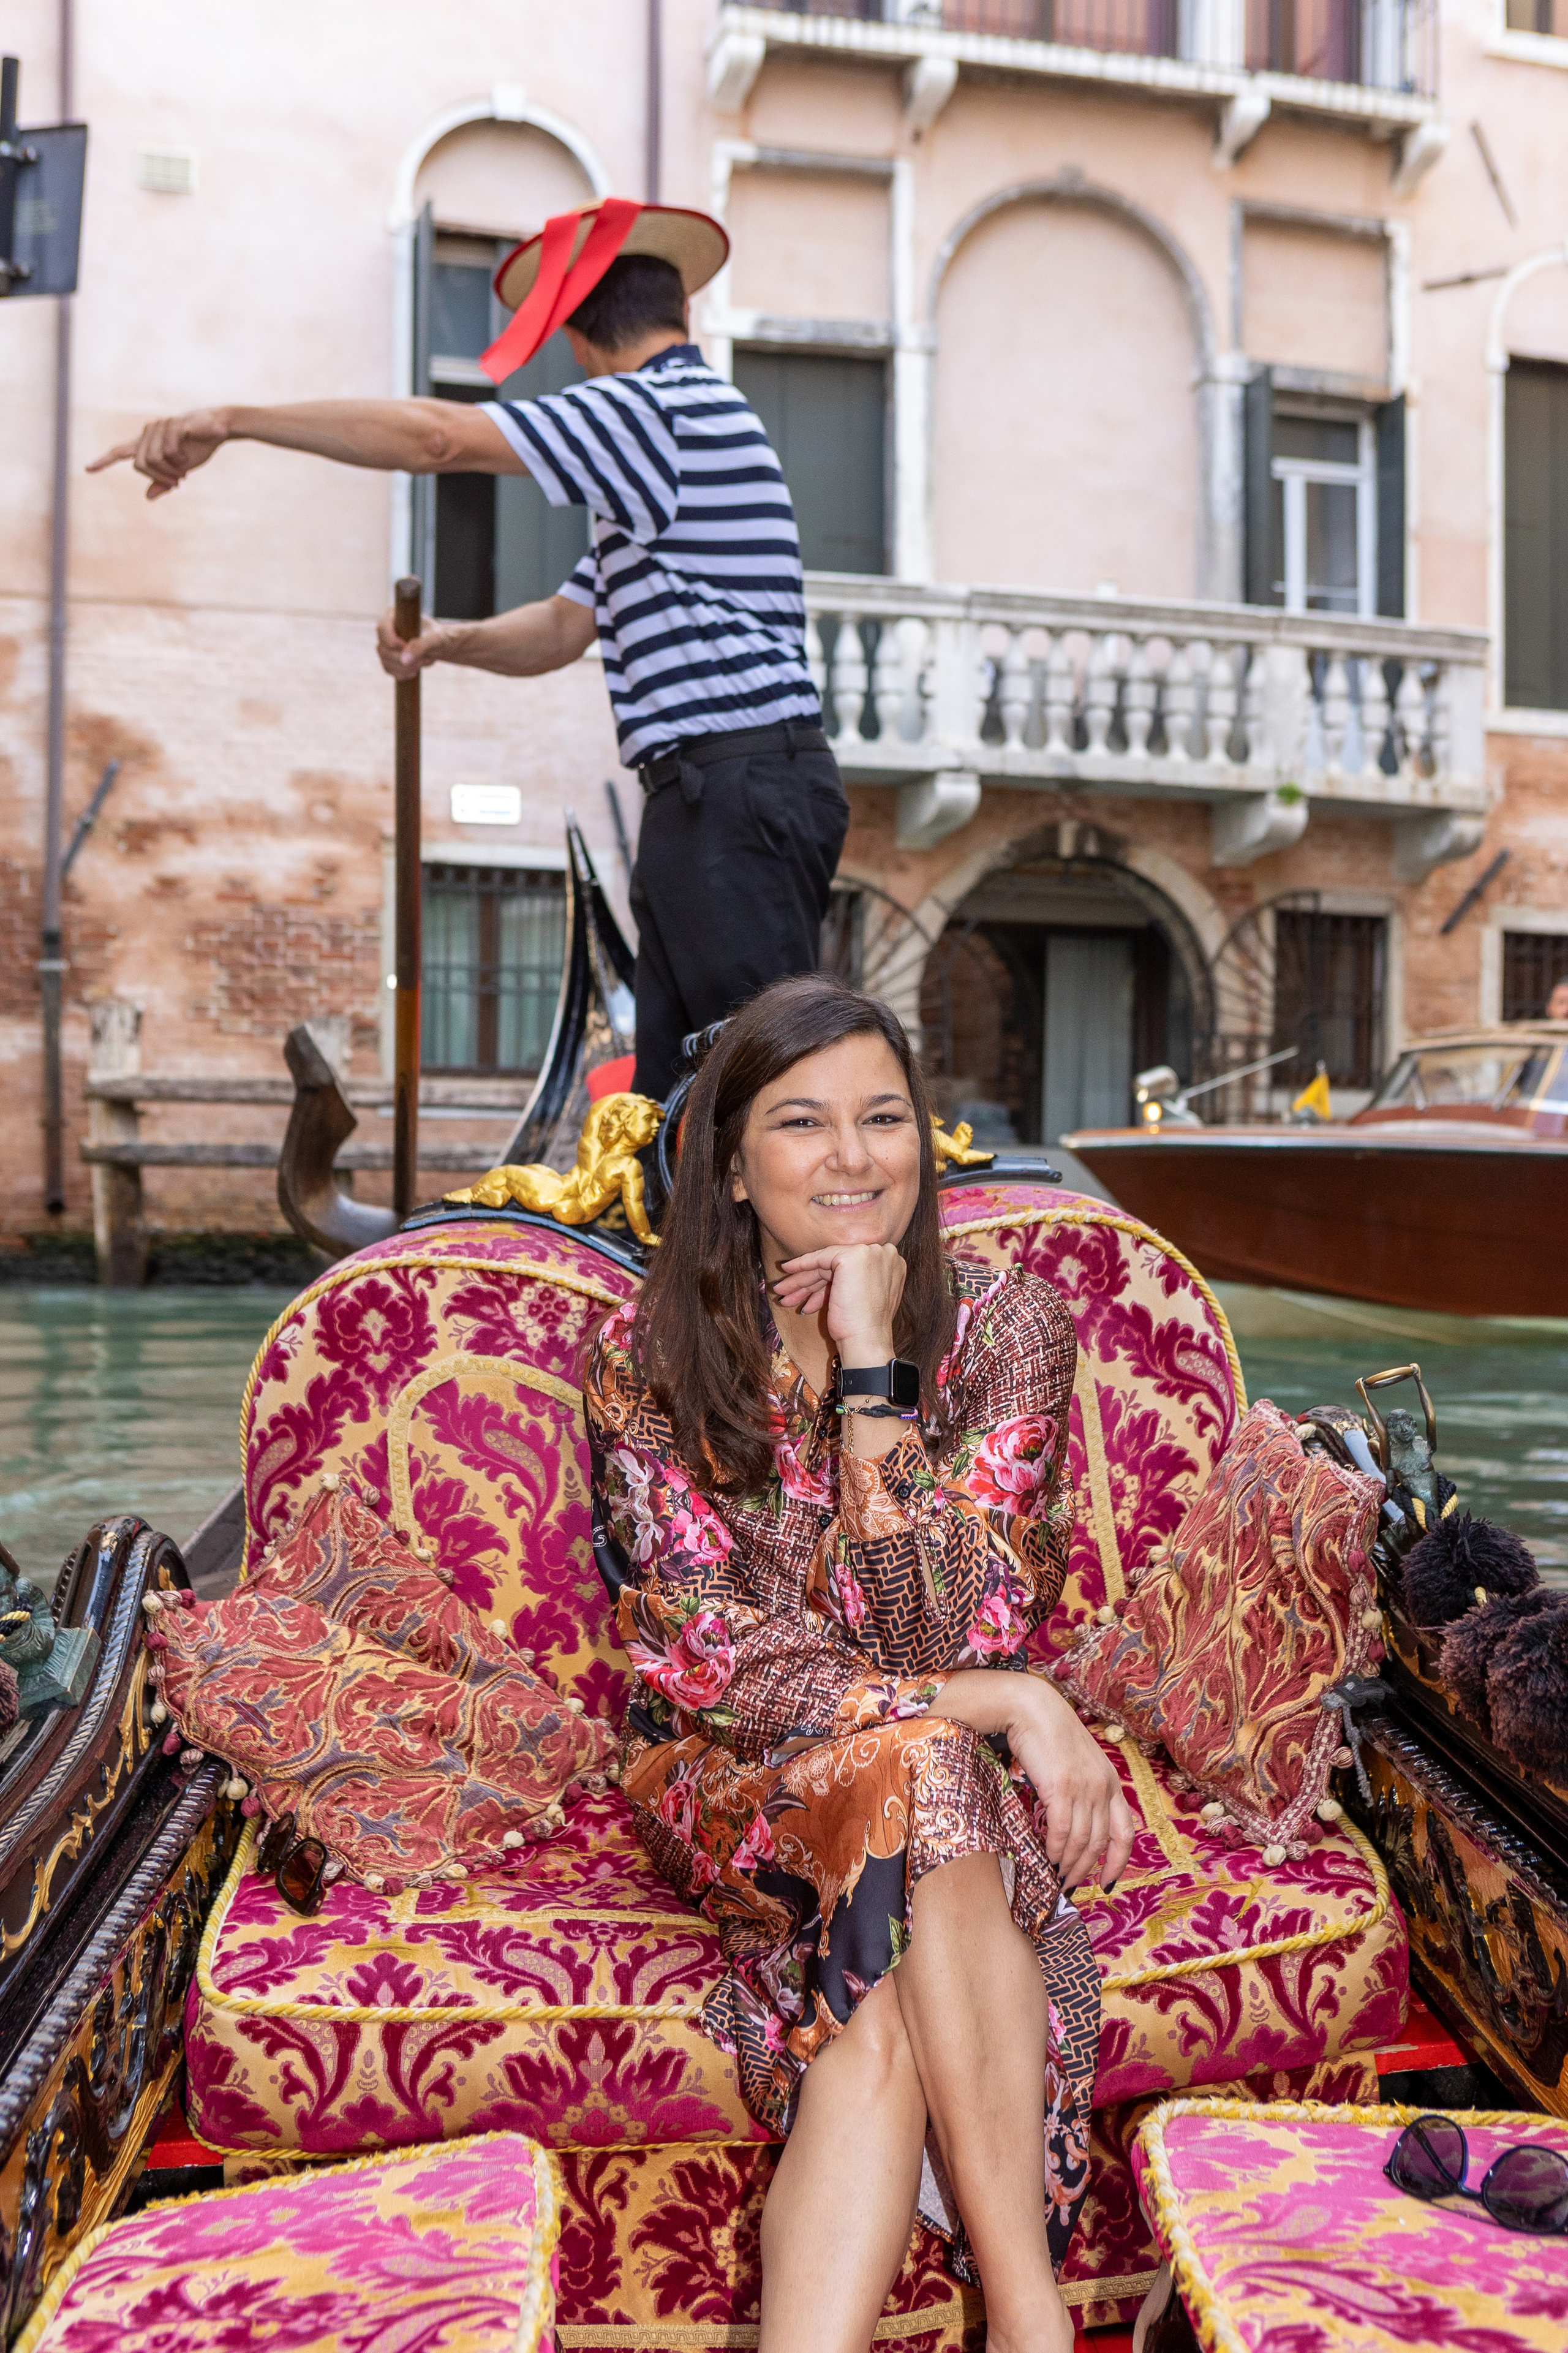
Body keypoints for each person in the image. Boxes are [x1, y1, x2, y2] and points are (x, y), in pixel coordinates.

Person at [583, 973, 1136, 2353]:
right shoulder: (644, 1359)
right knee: (940, 1758)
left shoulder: (1008, 1329)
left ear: (924, 1142)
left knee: (885, 1956)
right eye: (801, 1122)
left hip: (907, 1794)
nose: (851, 1158)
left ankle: (1009, 2323)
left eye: (883, 1117)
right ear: (730, 1160)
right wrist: (1010, 1701)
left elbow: (942, 1629)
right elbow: (720, 1663)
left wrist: (873, 1366)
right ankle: (1033, 2320)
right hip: (728, 1783)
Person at [88, 199, 848, 1103]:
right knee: (678, 1108)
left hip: (735, 797)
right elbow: (564, 628)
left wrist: (237, 420)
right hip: (710, 801)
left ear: (575, 333)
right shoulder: (665, 455)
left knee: (765, 1097)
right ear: (680, 310)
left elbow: (437, 438)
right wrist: (448, 642)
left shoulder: (655, 412)